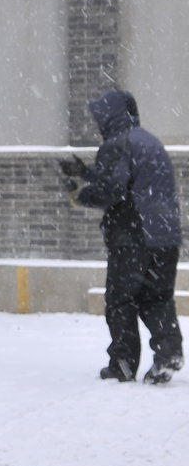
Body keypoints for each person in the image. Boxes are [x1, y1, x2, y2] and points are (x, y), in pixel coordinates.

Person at [68, 89, 184, 385]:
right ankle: (168, 352)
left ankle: (123, 364)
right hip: (165, 236)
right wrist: (88, 172)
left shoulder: (116, 144)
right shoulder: (147, 140)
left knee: (120, 300)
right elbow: (130, 178)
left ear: (110, 116)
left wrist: (81, 194)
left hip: (134, 237)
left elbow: (114, 190)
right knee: (156, 297)